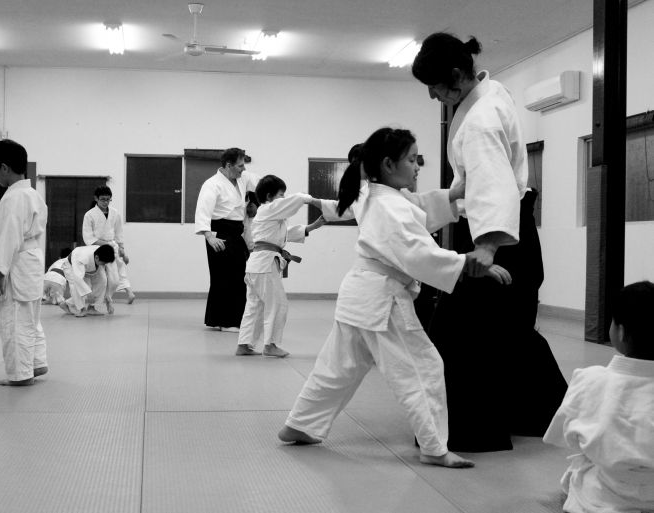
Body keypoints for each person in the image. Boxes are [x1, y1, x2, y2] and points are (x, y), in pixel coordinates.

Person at [278, 127, 510, 468]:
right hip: (381, 299)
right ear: (388, 164)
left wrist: (453, 195)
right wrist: (467, 262)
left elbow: (418, 207)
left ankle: (300, 423)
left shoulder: (376, 194)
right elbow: (415, 251)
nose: (417, 167)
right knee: (423, 368)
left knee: (338, 367)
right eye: (412, 160)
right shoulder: (388, 204)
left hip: (359, 294)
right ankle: (434, 447)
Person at [411, 32, 567, 451]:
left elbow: (493, 183)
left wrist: (487, 247)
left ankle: (472, 430)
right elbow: (481, 181)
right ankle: (545, 416)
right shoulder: (491, 92)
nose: (432, 96)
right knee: (511, 330)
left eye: (435, 86)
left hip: (497, 236)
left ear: (456, 75)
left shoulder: (480, 120)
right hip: (512, 231)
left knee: (462, 334)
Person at [543, 281, 654, 513]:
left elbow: (565, 436)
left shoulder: (590, 379)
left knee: (582, 465)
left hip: (603, 497)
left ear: (620, 332)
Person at [235, 175, 326, 358]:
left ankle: (244, 344)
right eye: (281, 194)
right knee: (277, 304)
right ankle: (270, 345)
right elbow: (297, 199)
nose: (284, 198)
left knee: (255, 306)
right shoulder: (269, 209)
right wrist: (312, 200)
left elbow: (282, 234)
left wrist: (312, 227)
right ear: (269, 196)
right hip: (265, 265)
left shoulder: (268, 214)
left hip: (256, 266)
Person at [0, 139, 48, 386]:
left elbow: (9, 237)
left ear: (4, 167)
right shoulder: (33, 195)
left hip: (16, 263)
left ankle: (21, 375)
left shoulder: (14, 197)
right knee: (30, 318)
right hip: (31, 261)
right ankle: (36, 363)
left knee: (13, 321)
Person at [194, 148, 259, 332]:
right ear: (228, 165)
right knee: (222, 277)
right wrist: (209, 237)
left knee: (238, 275)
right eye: (240, 165)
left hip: (236, 232)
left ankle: (220, 319)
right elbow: (203, 211)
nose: (243, 169)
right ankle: (226, 321)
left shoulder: (242, 178)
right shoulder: (212, 184)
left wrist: (258, 201)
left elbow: (261, 184)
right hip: (218, 233)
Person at [82, 186, 134, 304]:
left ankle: (108, 297)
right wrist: (105, 244)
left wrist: (122, 249)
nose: (105, 202)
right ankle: (94, 301)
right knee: (100, 278)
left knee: (115, 279)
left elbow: (119, 232)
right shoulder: (89, 215)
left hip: (112, 247)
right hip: (96, 249)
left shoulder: (115, 213)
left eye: (108, 199)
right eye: (103, 199)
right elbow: (88, 237)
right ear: (96, 198)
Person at [59, 244, 116, 317]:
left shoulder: (102, 252)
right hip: (70, 266)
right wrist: (89, 295)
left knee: (103, 280)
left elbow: (110, 279)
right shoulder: (81, 258)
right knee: (75, 286)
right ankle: (81, 309)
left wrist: (109, 301)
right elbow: (78, 279)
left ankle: (92, 308)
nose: (104, 265)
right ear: (97, 258)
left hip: (86, 265)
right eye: (103, 263)